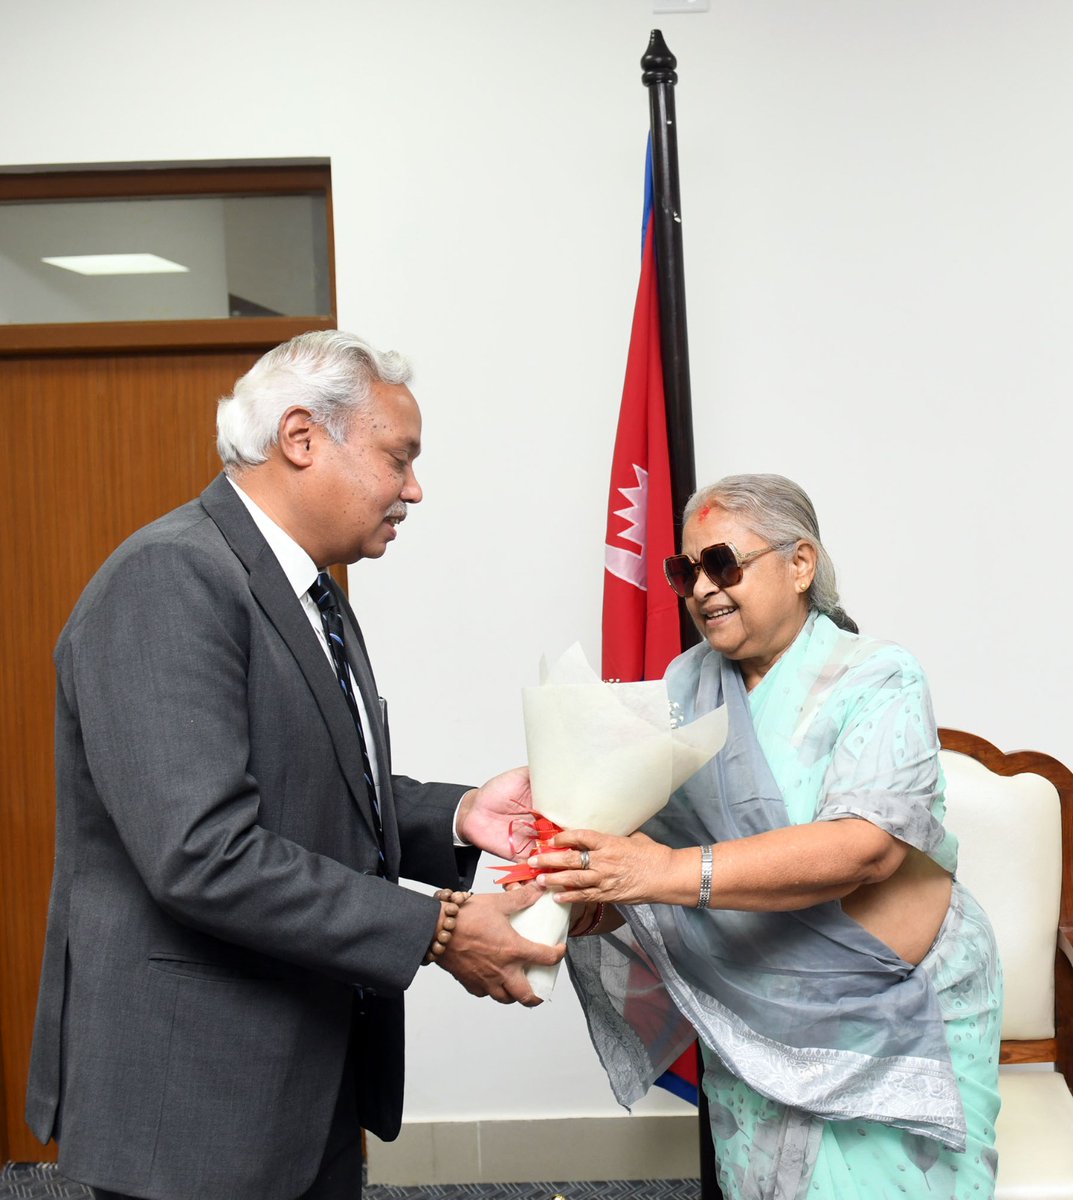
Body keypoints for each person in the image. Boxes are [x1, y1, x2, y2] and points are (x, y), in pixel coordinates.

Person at [24, 330, 563, 1200]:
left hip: (300, 1076)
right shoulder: (171, 577)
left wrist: (457, 815)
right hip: (196, 1099)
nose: (413, 490)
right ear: (303, 438)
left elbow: (304, 786)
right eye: (400, 458)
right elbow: (203, 851)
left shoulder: (312, 591)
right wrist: (435, 926)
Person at [531, 474, 1002, 1200]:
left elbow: (864, 848)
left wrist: (653, 875)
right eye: (684, 572)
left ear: (800, 564)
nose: (701, 589)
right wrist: (595, 895)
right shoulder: (686, 686)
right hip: (754, 1007)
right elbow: (652, 848)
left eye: (723, 564)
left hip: (893, 1006)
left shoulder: (876, 677)